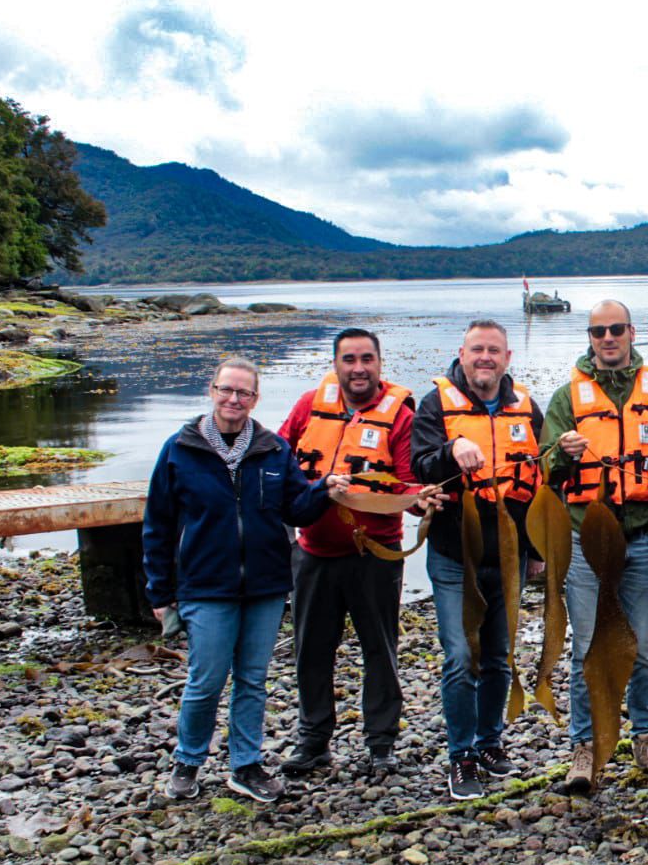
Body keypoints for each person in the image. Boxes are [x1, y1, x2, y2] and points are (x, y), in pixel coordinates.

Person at [144, 358, 347, 803]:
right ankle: (187, 760)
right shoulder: (181, 448)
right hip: (205, 586)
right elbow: (158, 524)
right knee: (206, 679)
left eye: (244, 393)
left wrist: (325, 490)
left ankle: (246, 764)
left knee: (253, 680)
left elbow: (296, 509)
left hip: (266, 586)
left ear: (256, 399)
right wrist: (160, 591)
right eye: (227, 390)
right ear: (211, 390)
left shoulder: (273, 450)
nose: (234, 400)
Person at [542, 299, 648, 793]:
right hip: (587, 540)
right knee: (588, 646)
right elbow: (544, 468)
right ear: (589, 337)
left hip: (645, 537)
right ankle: (584, 747)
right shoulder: (567, 398)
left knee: (644, 647)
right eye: (599, 331)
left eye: (616, 329)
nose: (608, 338)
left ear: (631, 331)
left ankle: (646, 739)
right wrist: (561, 456)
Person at [279, 328, 433, 780]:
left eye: (367, 359)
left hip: (375, 553)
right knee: (311, 648)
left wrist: (422, 499)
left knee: (380, 648)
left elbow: (407, 479)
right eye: (349, 359)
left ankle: (381, 743)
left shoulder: (400, 414)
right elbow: (280, 459)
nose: (358, 368)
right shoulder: (310, 405)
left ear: (380, 363)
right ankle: (313, 738)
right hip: (314, 551)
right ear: (336, 364)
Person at [412, 319, 545, 800]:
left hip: (510, 554)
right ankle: (460, 755)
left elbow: (540, 481)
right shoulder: (434, 405)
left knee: (498, 657)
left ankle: (490, 742)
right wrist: (452, 449)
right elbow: (419, 466)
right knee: (460, 656)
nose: (485, 358)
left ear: (507, 358)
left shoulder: (527, 408)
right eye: (477, 350)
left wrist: (537, 552)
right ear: (462, 355)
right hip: (454, 553)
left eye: (494, 350)